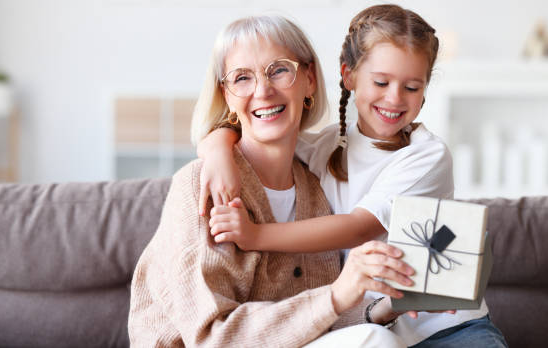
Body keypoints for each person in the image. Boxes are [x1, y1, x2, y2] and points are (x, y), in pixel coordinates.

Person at [196, 5, 508, 348]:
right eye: (381, 82)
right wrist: (216, 147)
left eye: (412, 87)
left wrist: (256, 236)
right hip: (367, 326)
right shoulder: (325, 146)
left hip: (446, 327)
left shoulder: (427, 155)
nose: (394, 97)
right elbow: (262, 134)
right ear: (348, 75)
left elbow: (360, 226)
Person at [128, 14, 416, 348]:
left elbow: (309, 323)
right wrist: (338, 295)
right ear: (227, 96)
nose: (263, 91)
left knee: (378, 334)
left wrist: (388, 305)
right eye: (242, 78)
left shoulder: (315, 188)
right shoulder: (201, 186)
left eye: (279, 70)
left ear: (309, 79)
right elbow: (212, 339)